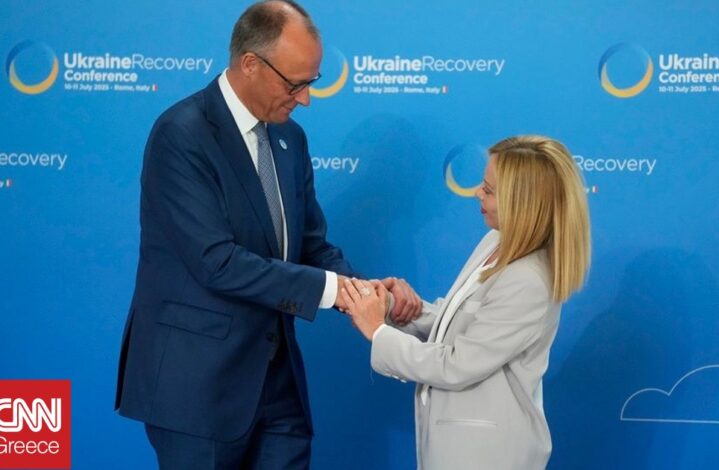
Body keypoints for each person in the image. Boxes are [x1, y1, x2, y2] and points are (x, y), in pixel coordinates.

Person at [114, 1, 420, 468]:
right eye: (295, 84)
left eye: (311, 83)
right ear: (250, 64)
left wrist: (366, 291)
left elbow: (311, 245)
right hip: (197, 387)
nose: (305, 99)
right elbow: (216, 262)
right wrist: (337, 291)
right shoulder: (182, 134)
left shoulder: (290, 139)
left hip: (278, 385)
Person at [342, 135, 591, 469]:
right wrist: (395, 308)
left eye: (489, 190)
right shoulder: (494, 242)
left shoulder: (530, 280)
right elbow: (460, 323)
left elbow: (457, 364)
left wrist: (378, 331)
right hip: (457, 446)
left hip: (489, 454)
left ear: (522, 203)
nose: (477, 194)